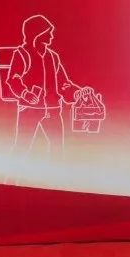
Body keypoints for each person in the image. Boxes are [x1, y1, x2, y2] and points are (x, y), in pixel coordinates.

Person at [6, 14, 95, 157]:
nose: (51, 36)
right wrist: (25, 94)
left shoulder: (53, 57)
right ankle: (13, 170)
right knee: (22, 146)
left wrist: (77, 93)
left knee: (57, 147)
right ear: (38, 34)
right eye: (48, 32)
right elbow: (13, 79)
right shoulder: (22, 54)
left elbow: (63, 83)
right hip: (30, 110)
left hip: (53, 110)